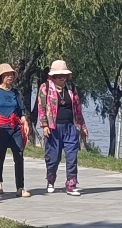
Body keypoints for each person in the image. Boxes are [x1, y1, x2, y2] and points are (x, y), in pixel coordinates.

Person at [36, 59, 86, 194]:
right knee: (53, 157)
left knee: (72, 156)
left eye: (64, 75)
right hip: (53, 128)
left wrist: (82, 126)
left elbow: (77, 109)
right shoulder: (45, 87)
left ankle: (71, 183)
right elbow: (41, 107)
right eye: (59, 76)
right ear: (53, 76)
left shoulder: (72, 88)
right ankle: (51, 180)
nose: (62, 78)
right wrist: (44, 125)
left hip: (70, 127)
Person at [0, 64, 28, 199]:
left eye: (12, 74)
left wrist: (25, 121)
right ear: (1, 77)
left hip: (14, 127)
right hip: (0, 128)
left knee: (19, 155)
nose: (10, 76)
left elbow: (20, 111)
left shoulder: (15, 92)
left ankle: (20, 187)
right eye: (7, 74)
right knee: (0, 156)